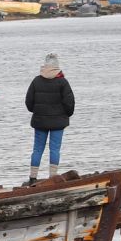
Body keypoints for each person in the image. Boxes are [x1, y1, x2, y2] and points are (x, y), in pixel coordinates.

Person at [23, 52, 76, 184]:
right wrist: (65, 115)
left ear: (44, 65)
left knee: (37, 149)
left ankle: (32, 177)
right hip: (58, 122)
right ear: (57, 66)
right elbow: (70, 103)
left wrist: (36, 111)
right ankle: (53, 177)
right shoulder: (62, 82)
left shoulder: (36, 81)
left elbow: (29, 102)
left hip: (40, 121)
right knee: (55, 149)